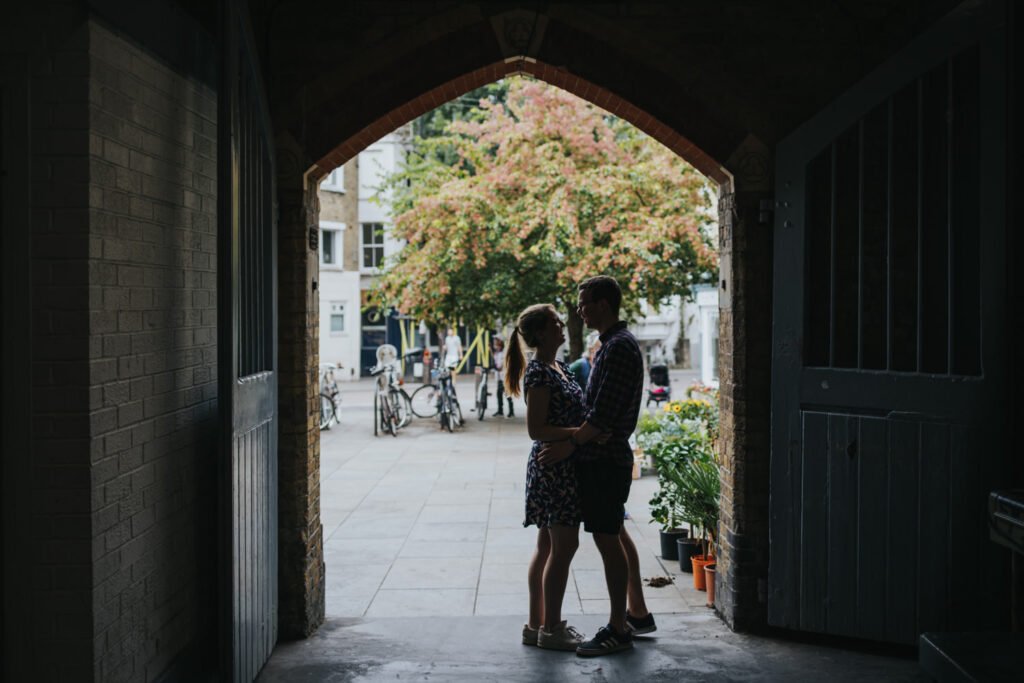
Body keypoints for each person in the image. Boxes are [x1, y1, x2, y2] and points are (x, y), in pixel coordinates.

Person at [538, 275, 654, 656]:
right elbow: (596, 417)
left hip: (606, 461)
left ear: (603, 305)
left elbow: (601, 417)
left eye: (584, 302)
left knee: (607, 539)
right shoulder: (609, 345)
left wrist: (571, 442)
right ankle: (635, 615)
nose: (579, 309)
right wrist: (588, 432)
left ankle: (618, 628)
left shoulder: (618, 347)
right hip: (600, 455)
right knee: (614, 532)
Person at [504, 304, 586, 651]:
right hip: (554, 467)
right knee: (564, 545)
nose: (561, 325)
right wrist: (582, 433)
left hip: (560, 463)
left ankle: (535, 624)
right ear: (539, 334)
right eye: (554, 322)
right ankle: (552, 628)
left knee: (547, 545)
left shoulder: (559, 367)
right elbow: (536, 428)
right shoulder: (539, 372)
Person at [490, 336, 514, 417]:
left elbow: (503, 363)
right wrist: (490, 350)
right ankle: (500, 410)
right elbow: (495, 359)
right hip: (499, 377)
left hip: (504, 376)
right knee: (499, 393)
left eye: (496, 344)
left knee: (507, 393)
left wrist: (500, 367)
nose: (495, 346)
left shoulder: (504, 353)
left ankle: (511, 411)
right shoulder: (497, 353)